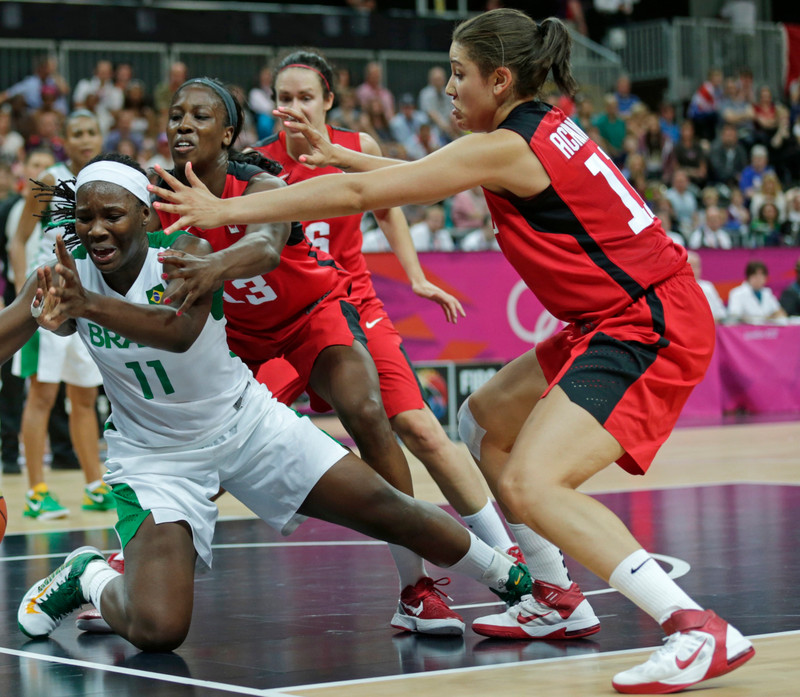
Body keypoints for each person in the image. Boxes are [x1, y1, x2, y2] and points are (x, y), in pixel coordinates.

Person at [151, 9, 755, 693]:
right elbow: (423, 173)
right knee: (483, 421)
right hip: (609, 315)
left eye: (458, 73)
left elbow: (366, 193)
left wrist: (226, 211)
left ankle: (693, 626)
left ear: (499, 80)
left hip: (647, 319)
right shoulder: (529, 132)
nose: (447, 87)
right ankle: (556, 597)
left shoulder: (506, 145)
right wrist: (341, 155)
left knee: (533, 482)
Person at [0, 153, 530, 651]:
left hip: (247, 426)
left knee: (390, 508)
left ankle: (519, 583)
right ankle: (89, 574)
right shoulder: (61, 274)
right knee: (158, 629)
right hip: (154, 458)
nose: (96, 229)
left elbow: (177, 332)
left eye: (113, 215)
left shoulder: (187, 256)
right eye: (86, 216)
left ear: (146, 217)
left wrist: (86, 305)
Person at [152, 77, 521, 635]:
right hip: (243, 342)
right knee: (207, 457)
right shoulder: (155, 194)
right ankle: (128, 570)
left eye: (199, 116)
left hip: (313, 314)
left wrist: (210, 266)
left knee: (369, 411)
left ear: (227, 133)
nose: (183, 124)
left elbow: (265, 246)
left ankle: (416, 588)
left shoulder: (259, 182)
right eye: (176, 114)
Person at [251, 51, 519, 568]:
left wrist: (415, 276)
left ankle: (507, 553)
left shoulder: (357, 148)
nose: (294, 108)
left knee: (422, 430)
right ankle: (137, 552)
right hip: (286, 321)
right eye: (284, 98)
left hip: (353, 304)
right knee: (223, 433)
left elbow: (389, 209)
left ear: (328, 100)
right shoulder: (256, 164)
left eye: (306, 97)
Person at [8, 110, 111, 519]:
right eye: (77, 133)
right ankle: (36, 492)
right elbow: (18, 241)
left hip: (83, 300)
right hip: (46, 300)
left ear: (100, 136)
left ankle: (94, 485)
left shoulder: (105, 180)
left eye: (91, 131)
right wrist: (23, 297)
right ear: (64, 141)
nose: (85, 139)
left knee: (84, 398)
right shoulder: (49, 180)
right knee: (42, 396)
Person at [686, 251, 726, 322]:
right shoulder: (676, 288)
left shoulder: (708, 287)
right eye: (691, 266)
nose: (695, 270)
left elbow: (721, 313)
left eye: (697, 266)